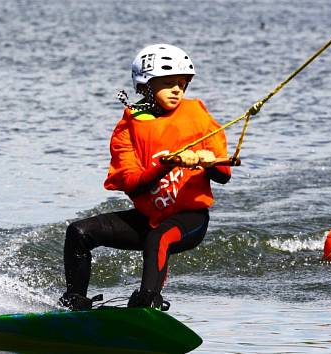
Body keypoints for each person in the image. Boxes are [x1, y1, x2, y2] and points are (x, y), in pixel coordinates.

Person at [59, 44, 231, 310]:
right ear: (146, 86)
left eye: (182, 84)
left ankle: (148, 302)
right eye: (169, 83)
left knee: (158, 238)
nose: (177, 89)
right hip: (148, 218)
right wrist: (169, 163)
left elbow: (224, 175)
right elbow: (132, 185)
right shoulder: (128, 127)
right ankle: (74, 303)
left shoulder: (197, 116)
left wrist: (209, 164)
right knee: (78, 232)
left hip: (190, 218)